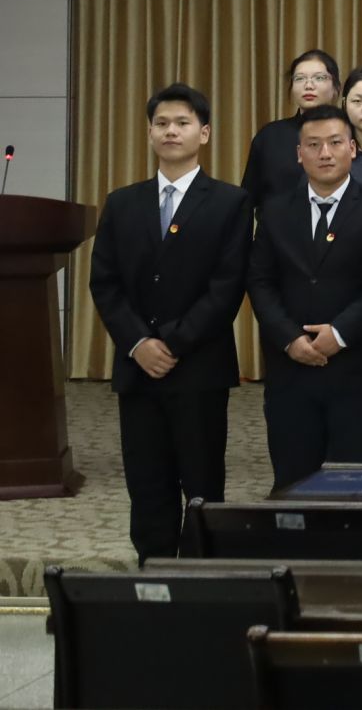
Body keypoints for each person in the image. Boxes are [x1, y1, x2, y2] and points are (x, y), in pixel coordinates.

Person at [89, 84, 252, 561]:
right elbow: (105, 283)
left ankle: (200, 578)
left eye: (182, 123)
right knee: (147, 482)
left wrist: (173, 343)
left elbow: (227, 287)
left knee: (202, 484)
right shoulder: (122, 202)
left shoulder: (231, 202)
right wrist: (138, 342)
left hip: (199, 368)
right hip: (138, 369)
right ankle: (153, 571)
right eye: (161, 124)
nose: (171, 131)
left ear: (204, 133)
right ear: (149, 133)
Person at [247, 104, 362, 490]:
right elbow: (260, 281)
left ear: (353, 148)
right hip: (291, 370)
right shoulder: (275, 211)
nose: (324, 153)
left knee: (356, 485)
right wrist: (289, 338)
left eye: (334, 143)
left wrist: (341, 333)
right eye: (313, 145)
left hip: (357, 370)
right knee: (293, 481)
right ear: (299, 154)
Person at [242, 49, 340, 207]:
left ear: (335, 87)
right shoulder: (270, 136)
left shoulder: (349, 134)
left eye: (319, 78)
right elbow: (248, 200)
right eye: (300, 78)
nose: (309, 85)